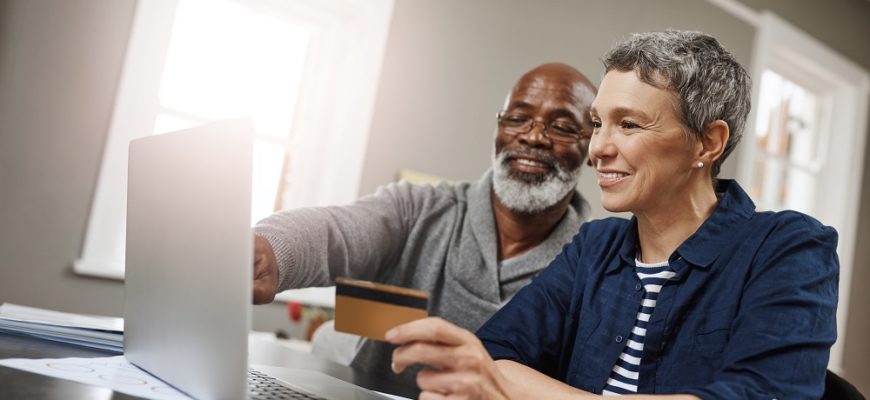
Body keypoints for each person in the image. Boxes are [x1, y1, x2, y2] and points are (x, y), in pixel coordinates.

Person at [386, 30, 839, 399]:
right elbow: (490, 357)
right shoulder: (593, 247)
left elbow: (762, 394)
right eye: (598, 123)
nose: (598, 148)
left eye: (629, 124)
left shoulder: (790, 248)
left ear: (707, 143)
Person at [252, 63, 598, 380]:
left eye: (563, 127)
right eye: (517, 118)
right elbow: (337, 233)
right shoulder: (418, 208)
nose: (533, 136)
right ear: (498, 128)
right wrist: (269, 251)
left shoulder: (596, 269)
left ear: (592, 146)